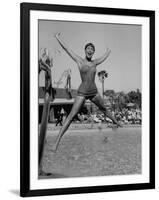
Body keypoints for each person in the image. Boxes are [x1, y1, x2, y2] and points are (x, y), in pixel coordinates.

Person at [53, 32, 122, 152]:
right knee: (71, 116)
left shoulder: (95, 62)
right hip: (82, 92)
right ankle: (57, 142)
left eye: (92, 49)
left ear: (93, 52)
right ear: (85, 50)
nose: (90, 50)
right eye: (88, 48)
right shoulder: (79, 60)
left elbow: (105, 56)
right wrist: (58, 38)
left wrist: (108, 50)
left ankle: (117, 122)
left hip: (94, 92)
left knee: (104, 109)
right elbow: (67, 49)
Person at [38, 48, 56, 175]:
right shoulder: (46, 69)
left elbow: (48, 77)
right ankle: (38, 167)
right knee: (41, 136)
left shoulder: (47, 70)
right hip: (46, 97)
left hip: (47, 98)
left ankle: (39, 167)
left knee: (42, 137)